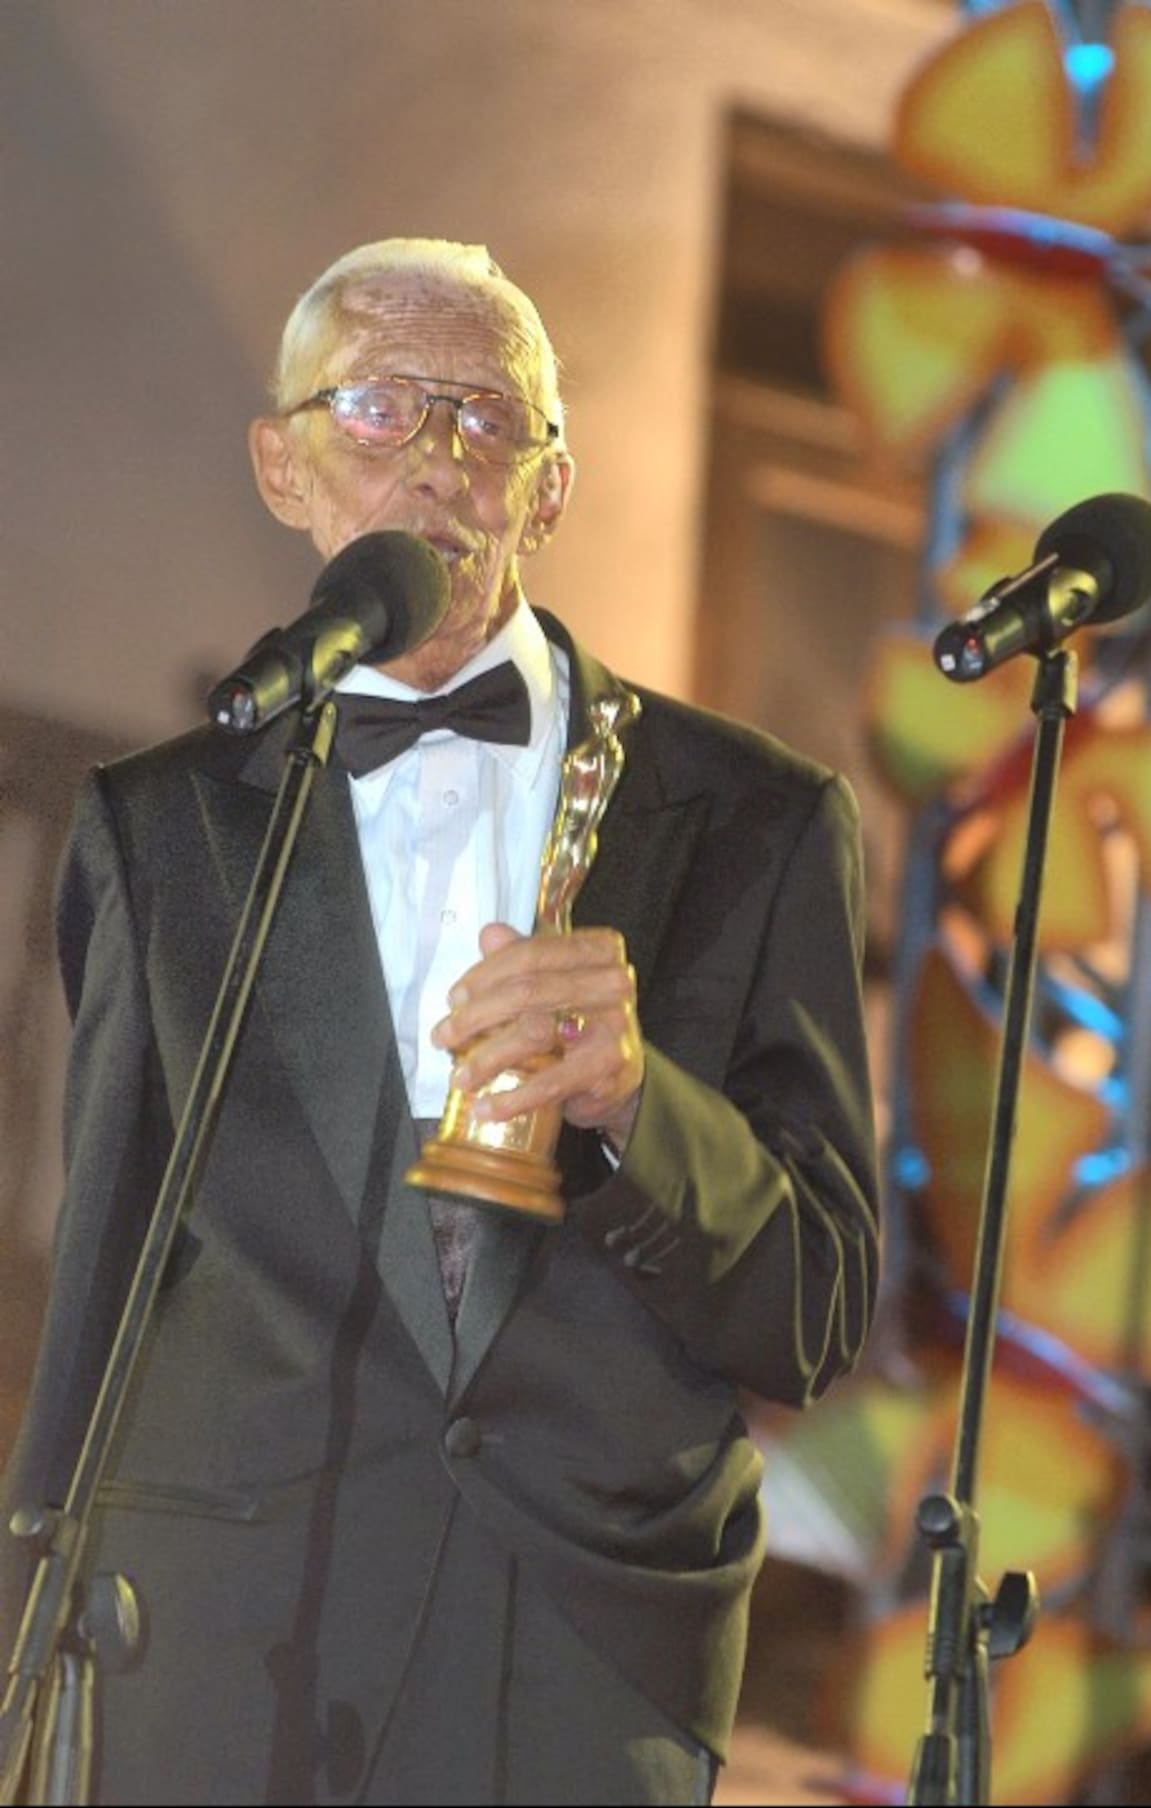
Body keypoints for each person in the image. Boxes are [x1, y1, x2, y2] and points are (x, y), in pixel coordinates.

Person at [0, 238, 880, 1806]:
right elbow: (108, 1281)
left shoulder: (758, 818)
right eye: (380, 408)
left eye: (489, 418)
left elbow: (813, 1312)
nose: (439, 460)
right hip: (212, 1640)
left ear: (550, 490)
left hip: (580, 1645)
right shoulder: (161, 827)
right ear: (284, 467)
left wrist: (639, 1108)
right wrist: (23, 1642)